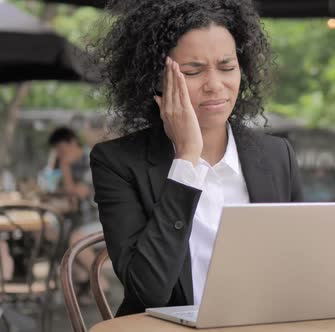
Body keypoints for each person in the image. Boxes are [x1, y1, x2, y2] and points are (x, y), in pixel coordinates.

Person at [89, 0, 303, 317]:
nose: (215, 86)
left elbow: (300, 265)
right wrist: (187, 160)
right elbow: (150, 291)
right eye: (192, 71)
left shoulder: (276, 156)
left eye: (227, 67)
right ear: (157, 79)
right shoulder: (117, 162)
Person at [47, 127, 107, 298]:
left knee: (75, 238)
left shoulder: (92, 159)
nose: (59, 154)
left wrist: (64, 166)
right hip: (81, 220)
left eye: (60, 149)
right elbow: (67, 198)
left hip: (101, 218)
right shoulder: (72, 164)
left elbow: (78, 193)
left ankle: (102, 284)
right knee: (53, 233)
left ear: (72, 142)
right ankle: (82, 280)